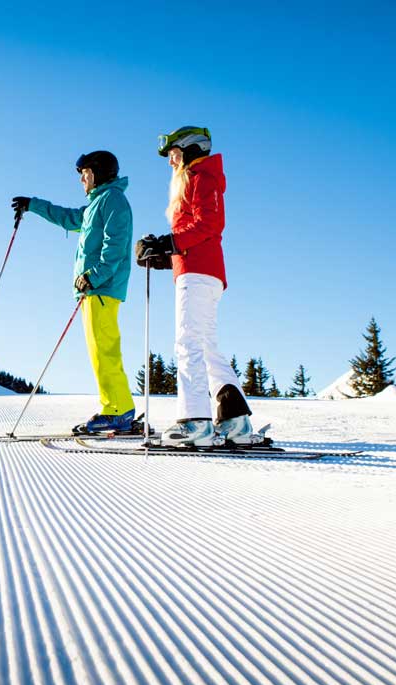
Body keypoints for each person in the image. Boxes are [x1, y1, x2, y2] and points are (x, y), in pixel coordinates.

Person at [135, 126, 258, 447]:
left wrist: (169, 241)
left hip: (199, 273)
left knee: (187, 344)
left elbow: (208, 224)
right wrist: (164, 254)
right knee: (204, 347)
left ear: (190, 151)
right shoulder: (198, 179)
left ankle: (196, 424)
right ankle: (235, 422)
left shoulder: (201, 177)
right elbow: (196, 237)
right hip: (200, 270)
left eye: (174, 154)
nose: (170, 162)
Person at [11, 151, 137, 434]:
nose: (81, 178)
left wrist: (93, 276)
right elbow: (67, 218)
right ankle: (119, 406)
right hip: (93, 290)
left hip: (101, 288)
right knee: (100, 351)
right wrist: (33, 205)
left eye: (85, 172)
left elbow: (115, 245)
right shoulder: (95, 205)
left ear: (99, 173)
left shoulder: (113, 200)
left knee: (104, 351)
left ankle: (117, 410)